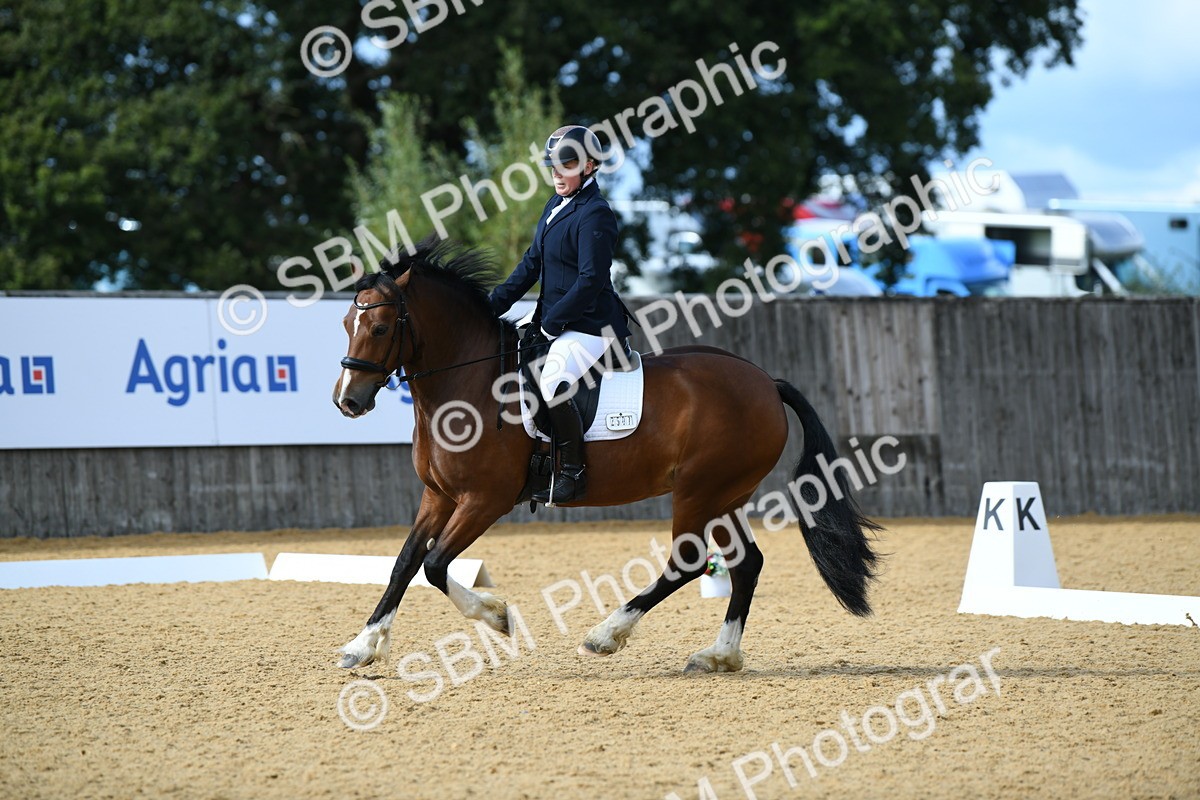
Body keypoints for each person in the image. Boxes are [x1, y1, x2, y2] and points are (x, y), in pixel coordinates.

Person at [489, 124, 632, 504]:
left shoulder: (596, 213)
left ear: (588, 166)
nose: (556, 173)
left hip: (590, 325)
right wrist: (490, 306)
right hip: (554, 318)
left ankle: (572, 470)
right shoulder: (555, 206)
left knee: (551, 381)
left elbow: (590, 279)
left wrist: (551, 324)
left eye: (565, 165)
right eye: (552, 166)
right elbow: (531, 264)